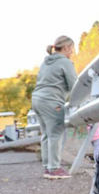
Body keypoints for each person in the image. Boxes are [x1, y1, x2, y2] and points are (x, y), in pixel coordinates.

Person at [32, 36, 78, 179]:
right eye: (72, 49)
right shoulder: (65, 62)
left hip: (37, 100)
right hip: (52, 101)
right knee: (56, 134)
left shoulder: (45, 63)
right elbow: (74, 85)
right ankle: (55, 169)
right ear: (66, 48)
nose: (72, 52)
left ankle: (48, 167)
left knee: (46, 134)